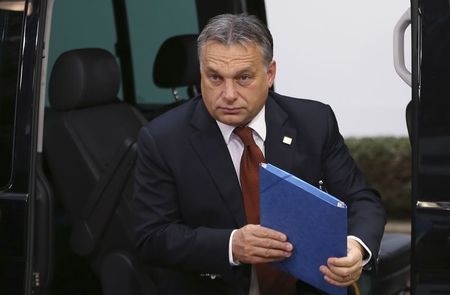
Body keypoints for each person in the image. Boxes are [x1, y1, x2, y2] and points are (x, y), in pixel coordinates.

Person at [133, 13, 386, 295]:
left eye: (243, 78)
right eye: (215, 77)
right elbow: (151, 237)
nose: (228, 94)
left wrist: (355, 247)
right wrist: (231, 245)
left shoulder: (314, 121)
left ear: (270, 74)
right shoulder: (163, 139)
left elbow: (362, 200)